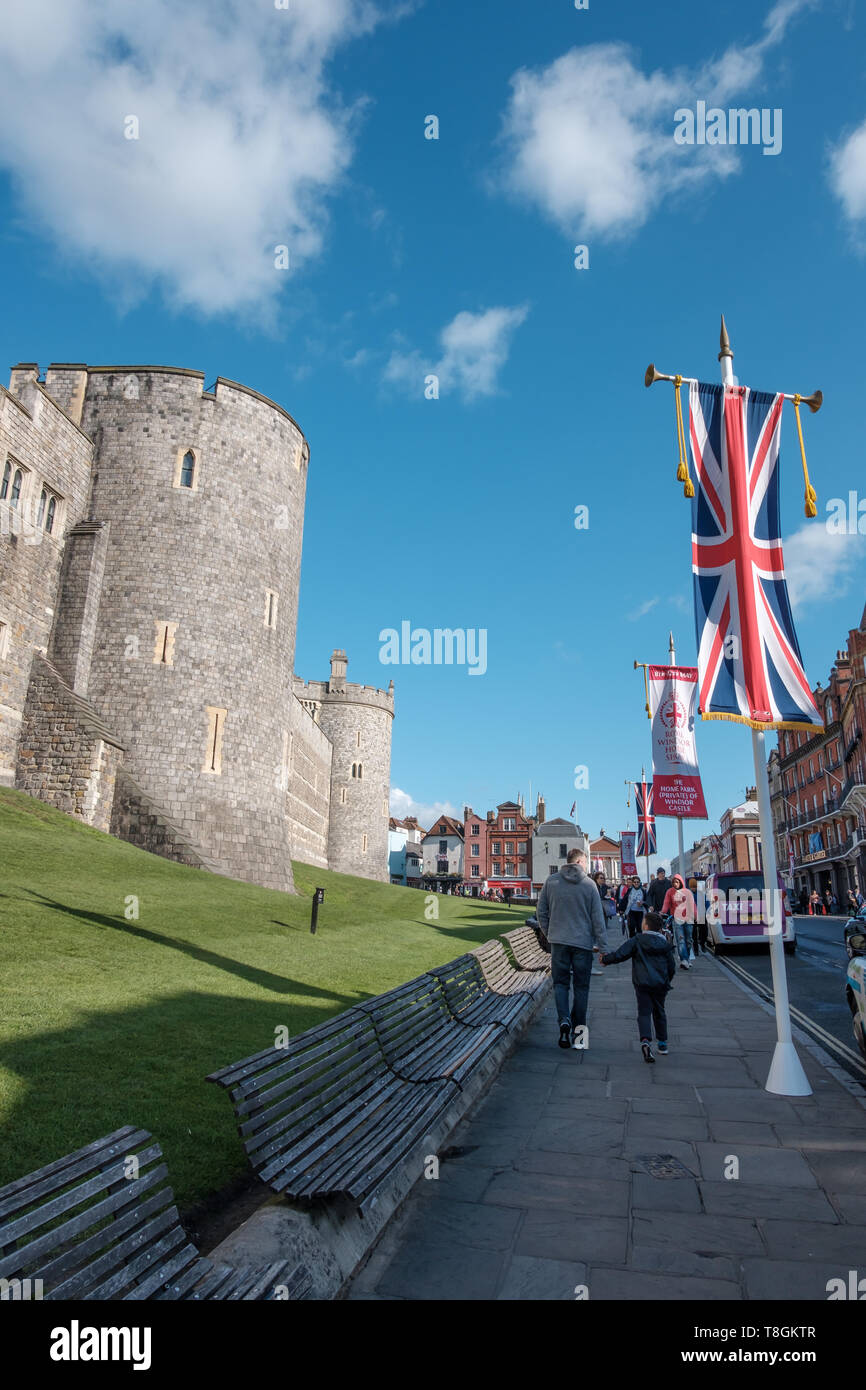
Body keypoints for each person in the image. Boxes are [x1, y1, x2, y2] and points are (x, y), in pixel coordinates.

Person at [536, 847, 607, 1049]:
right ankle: (579, 1038)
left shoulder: (552, 882)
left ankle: (564, 1020)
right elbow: (598, 920)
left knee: (560, 985)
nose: (586, 866)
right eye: (585, 862)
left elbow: (541, 912)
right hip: (582, 944)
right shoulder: (589, 884)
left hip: (559, 942)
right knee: (582, 988)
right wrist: (604, 948)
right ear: (579, 862)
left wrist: (551, 933)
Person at [598, 909, 676, 1063]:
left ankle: (646, 1041)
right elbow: (671, 966)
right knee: (660, 1011)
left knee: (644, 1013)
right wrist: (667, 980)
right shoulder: (665, 943)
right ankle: (662, 1044)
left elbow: (621, 954)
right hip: (660, 984)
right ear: (660, 928)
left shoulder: (637, 940)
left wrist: (606, 960)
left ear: (645, 926)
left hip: (642, 983)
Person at [662, 873, 696, 969]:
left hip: (688, 918)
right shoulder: (670, 892)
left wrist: (696, 915)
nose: (675, 884)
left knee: (689, 940)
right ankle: (683, 960)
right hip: (677, 919)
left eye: (677, 882)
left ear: (681, 882)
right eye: (674, 882)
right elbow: (666, 903)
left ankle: (687, 958)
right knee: (680, 939)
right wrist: (663, 911)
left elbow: (692, 905)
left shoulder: (687, 892)